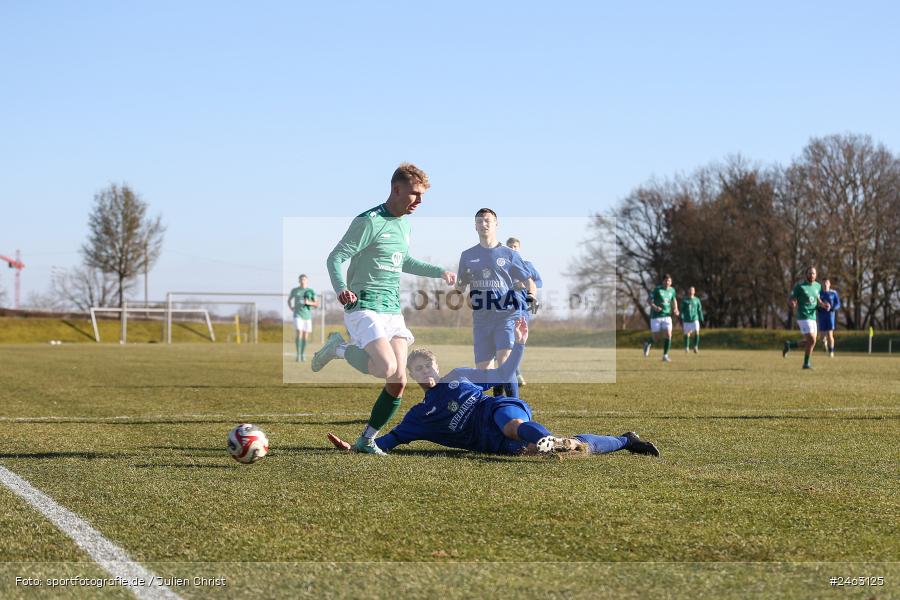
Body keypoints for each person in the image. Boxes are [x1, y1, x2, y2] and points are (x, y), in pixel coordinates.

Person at [327, 318, 659, 457]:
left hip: (498, 410)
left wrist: (519, 344)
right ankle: (624, 440)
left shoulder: (458, 376)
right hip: (491, 444)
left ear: (437, 367)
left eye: (428, 365)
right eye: (417, 368)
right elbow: (388, 441)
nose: (425, 371)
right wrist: (356, 446)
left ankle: (545, 440)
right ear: (411, 375)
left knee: (514, 426)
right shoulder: (418, 416)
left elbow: (506, 372)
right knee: (574, 450)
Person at [312, 163, 457, 454]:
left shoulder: (404, 224)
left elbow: (404, 261)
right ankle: (338, 347)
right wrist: (341, 287)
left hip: (392, 310)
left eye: (422, 196)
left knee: (398, 379)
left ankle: (366, 439)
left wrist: (440, 271)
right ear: (396, 189)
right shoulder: (369, 221)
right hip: (363, 306)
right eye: (415, 194)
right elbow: (335, 257)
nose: (419, 201)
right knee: (388, 367)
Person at [456, 209, 536, 400]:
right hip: (481, 319)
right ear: (475, 226)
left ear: (496, 224)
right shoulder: (467, 255)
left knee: (505, 363)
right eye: (479, 221)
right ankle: (490, 413)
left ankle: (515, 408)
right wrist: (461, 282)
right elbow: (459, 289)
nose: (483, 224)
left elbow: (529, 281)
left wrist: (531, 296)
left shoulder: (508, 254)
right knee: (483, 374)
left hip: (506, 316)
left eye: (487, 221)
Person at [505, 236, 542, 386]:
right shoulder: (503, 266)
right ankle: (514, 374)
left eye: (515, 246)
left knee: (517, 342)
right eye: (510, 247)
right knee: (506, 343)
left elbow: (538, 282)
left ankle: (514, 373)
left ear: (519, 248)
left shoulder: (527, 265)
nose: (512, 249)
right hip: (506, 309)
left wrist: (526, 287)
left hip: (523, 309)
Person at [782, 266, 831, 369]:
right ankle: (806, 364)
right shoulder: (800, 286)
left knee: (811, 341)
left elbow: (818, 300)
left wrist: (824, 305)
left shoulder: (818, 286)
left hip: (813, 317)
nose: (811, 275)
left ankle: (790, 345)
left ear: (816, 275)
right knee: (812, 340)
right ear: (806, 274)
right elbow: (792, 298)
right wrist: (792, 302)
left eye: (813, 273)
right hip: (803, 316)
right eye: (809, 273)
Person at [643, 274, 679, 362]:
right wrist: (655, 307)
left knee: (669, 334)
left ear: (671, 282)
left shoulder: (672, 290)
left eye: (669, 281)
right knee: (655, 338)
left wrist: (676, 309)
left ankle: (665, 355)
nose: (667, 282)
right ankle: (647, 343)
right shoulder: (657, 289)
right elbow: (648, 300)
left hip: (667, 316)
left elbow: (674, 299)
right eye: (666, 280)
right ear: (663, 281)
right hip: (656, 316)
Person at [287, 274, 319, 362]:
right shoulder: (295, 290)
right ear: (299, 281)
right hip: (297, 315)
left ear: (307, 280)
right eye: (301, 279)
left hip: (307, 316)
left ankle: (303, 354)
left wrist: (309, 302)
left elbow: (316, 304)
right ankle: (298, 355)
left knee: (305, 336)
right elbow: (289, 300)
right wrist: (291, 307)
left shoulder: (310, 291)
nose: (302, 281)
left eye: (304, 279)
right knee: (299, 332)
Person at [817, 278, 841, 357]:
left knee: (830, 335)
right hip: (821, 316)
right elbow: (816, 304)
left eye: (827, 282)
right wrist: (820, 307)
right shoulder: (819, 293)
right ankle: (825, 344)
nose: (825, 284)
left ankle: (831, 351)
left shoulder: (833, 293)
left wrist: (832, 308)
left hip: (830, 316)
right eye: (824, 283)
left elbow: (838, 304)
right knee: (822, 337)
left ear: (829, 284)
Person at [679, 286, 704, 354]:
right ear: (688, 291)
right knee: (687, 334)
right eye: (690, 290)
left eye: (692, 290)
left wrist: (701, 317)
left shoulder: (697, 300)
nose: (691, 291)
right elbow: (682, 309)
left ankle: (695, 347)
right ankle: (686, 347)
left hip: (695, 319)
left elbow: (699, 309)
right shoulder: (684, 300)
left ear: (694, 292)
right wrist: (681, 316)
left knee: (697, 332)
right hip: (687, 320)